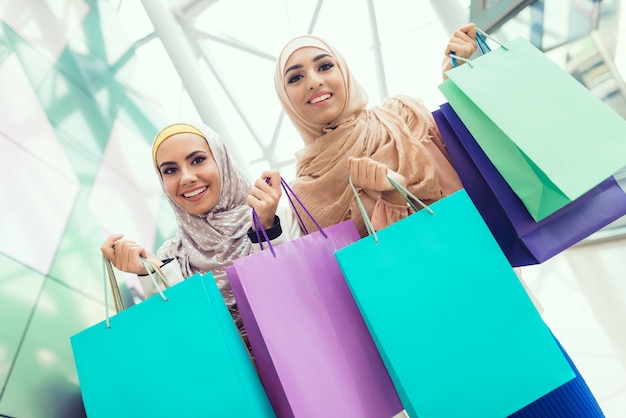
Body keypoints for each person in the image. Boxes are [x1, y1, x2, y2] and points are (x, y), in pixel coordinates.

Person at [273, 23, 605, 417]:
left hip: (493, 308)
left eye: (324, 65)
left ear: (344, 72)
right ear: (286, 97)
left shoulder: (403, 115)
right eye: (295, 77)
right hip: (424, 352)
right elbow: (340, 291)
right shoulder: (305, 193)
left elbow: (474, 173)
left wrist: (465, 77)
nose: (313, 81)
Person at [101, 121, 300, 345]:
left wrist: (266, 228)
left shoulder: (278, 217)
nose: (186, 178)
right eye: (170, 170)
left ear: (222, 161)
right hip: (233, 379)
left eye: (197, 160)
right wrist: (152, 271)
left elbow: (297, 295)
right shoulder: (172, 254)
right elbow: (188, 338)